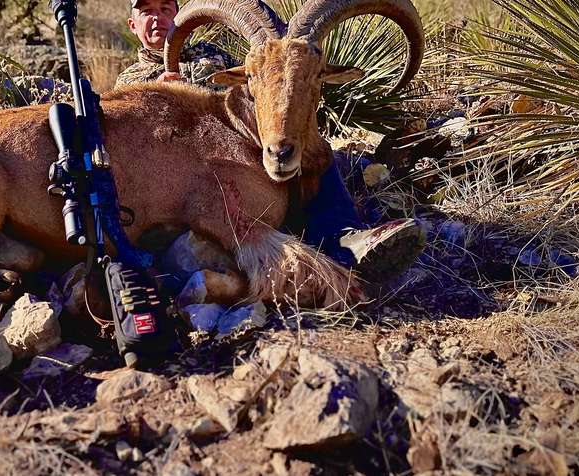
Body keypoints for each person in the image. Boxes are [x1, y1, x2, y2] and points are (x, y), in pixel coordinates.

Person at [118, 0, 426, 286]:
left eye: (164, 8)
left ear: (176, 13)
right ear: (132, 24)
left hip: (248, 140)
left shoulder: (209, 55)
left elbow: (266, 81)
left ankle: (345, 236)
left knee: (315, 151)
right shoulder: (129, 81)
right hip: (196, 169)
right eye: (147, 12)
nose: (157, 18)